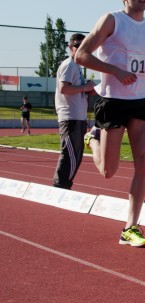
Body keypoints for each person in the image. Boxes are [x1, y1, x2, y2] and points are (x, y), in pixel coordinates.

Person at [75, 0, 145, 248]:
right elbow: (81, 55)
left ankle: (130, 227)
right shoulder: (112, 20)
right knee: (108, 170)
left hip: (140, 101)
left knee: (144, 163)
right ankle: (93, 140)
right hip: (112, 100)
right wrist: (115, 71)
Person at [52, 34, 96, 189]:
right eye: (77, 46)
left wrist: (87, 89)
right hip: (69, 117)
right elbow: (64, 88)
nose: (80, 49)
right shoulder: (69, 64)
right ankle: (60, 186)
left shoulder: (77, 66)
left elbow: (74, 89)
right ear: (70, 48)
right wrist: (85, 87)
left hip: (78, 117)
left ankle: (65, 184)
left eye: (83, 46)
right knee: (69, 154)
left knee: (76, 156)